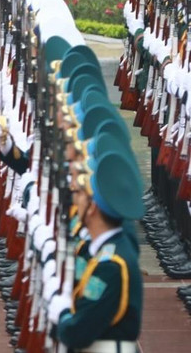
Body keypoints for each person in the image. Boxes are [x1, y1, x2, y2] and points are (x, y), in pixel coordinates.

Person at [46, 150, 144, 351]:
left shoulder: (111, 265)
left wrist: (62, 314)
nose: (75, 195)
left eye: (81, 193)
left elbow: (78, 332)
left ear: (93, 208)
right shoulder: (104, 251)